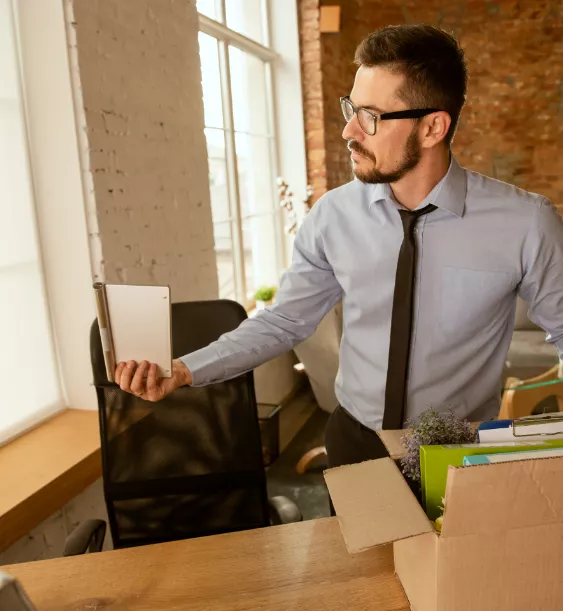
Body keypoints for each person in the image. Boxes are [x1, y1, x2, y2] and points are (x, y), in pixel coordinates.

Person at [115, 24, 563, 474]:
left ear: (432, 127)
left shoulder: (525, 222)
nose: (349, 130)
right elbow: (285, 320)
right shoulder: (332, 216)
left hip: (459, 454)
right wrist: (186, 370)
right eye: (351, 108)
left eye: (370, 115)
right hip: (355, 443)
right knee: (350, 549)